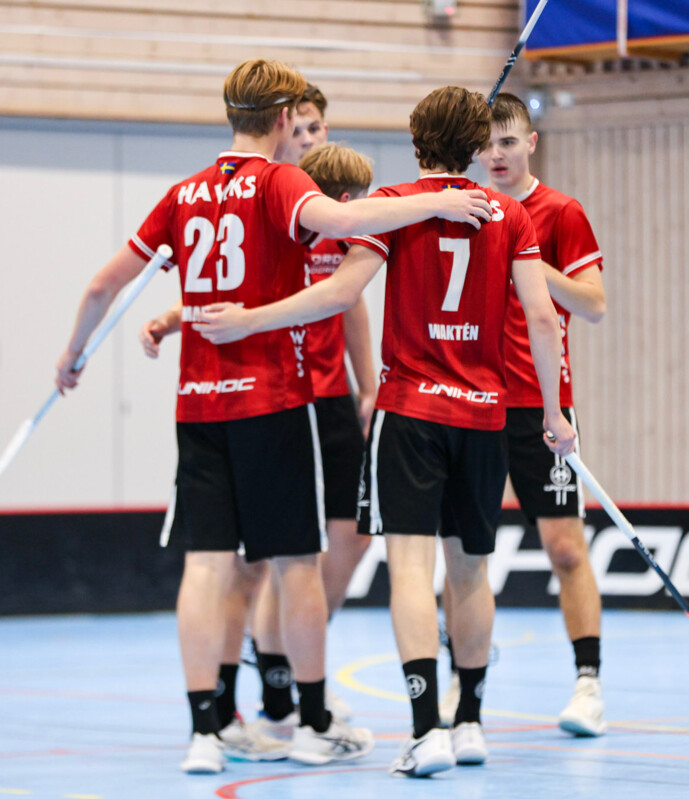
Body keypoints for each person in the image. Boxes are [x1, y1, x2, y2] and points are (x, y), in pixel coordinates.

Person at [55, 59, 493, 774]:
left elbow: (105, 284)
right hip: (274, 401)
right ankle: (310, 720)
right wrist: (437, 200)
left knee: (207, 566)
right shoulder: (279, 182)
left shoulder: (181, 193)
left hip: (198, 406)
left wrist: (72, 355)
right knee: (296, 566)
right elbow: (346, 222)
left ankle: (204, 731)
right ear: (285, 117)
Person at [189, 86, 577, 778]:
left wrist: (249, 319)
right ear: (477, 146)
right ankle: (470, 721)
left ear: (417, 141)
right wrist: (553, 411)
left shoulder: (395, 206)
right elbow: (544, 319)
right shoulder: (511, 214)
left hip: (411, 413)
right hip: (485, 414)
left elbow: (340, 294)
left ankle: (426, 731)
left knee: (410, 570)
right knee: (471, 569)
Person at [141, 84, 374, 732]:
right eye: (300, 127)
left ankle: (296, 672)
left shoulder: (325, 206)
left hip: (327, 397)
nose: (310, 138)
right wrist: (175, 318)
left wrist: (369, 384)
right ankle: (246, 698)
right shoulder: (264, 196)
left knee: (339, 543)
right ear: (278, 128)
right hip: (271, 397)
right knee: (251, 561)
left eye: (318, 127)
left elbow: (348, 298)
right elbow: (226, 286)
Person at [442, 91, 609, 736]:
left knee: (565, 548)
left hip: (543, 406)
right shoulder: (465, 209)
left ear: (531, 143)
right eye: (487, 145)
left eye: (508, 142)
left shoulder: (561, 212)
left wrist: (530, 264)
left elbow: (593, 305)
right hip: (472, 401)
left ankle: (588, 684)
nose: (497, 155)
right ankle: (462, 677)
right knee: (465, 556)